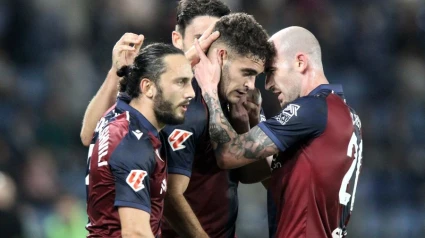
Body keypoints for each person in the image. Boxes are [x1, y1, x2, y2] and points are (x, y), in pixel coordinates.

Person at [80, 2, 273, 238]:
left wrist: (247, 128)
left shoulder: (239, 91)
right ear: (178, 40)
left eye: (215, 39)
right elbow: (93, 135)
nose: (206, 48)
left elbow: (253, 175)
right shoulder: (174, 105)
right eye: (200, 39)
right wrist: (116, 71)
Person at [193, 26, 363, 237]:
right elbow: (278, 183)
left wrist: (209, 89)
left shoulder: (313, 109)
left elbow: (227, 154)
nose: (269, 85)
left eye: (271, 72)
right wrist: (253, 121)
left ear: (300, 62)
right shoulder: (344, 113)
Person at [85, 43, 195, 237]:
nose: (191, 93)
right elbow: (136, 233)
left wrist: (116, 70)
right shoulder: (133, 144)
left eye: (190, 82)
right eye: (181, 82)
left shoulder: (119, 112)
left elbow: (87, 135)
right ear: (147, 87)